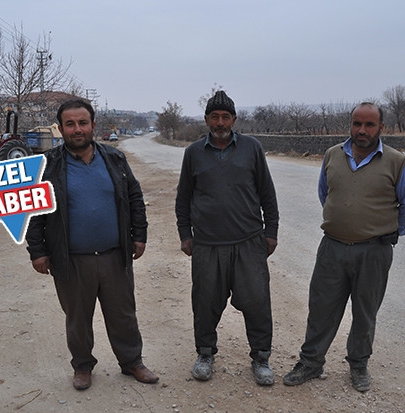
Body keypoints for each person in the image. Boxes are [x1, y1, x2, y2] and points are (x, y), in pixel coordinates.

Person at [283, 102, 405, 392]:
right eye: (357, 123)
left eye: (369, 124)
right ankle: (311, 362)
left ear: (381, 127)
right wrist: (343, 220)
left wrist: (389, 229)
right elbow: (325, 194)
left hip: (374, 252)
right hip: (332, 248)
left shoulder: (397, 162)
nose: (362, 130)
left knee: (365, 312)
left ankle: (358, 365)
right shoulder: (332, 155)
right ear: (351, 125)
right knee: (321, 308)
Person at [26, 99, 158, 390]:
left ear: (93, 126)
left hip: (114, 256)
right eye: (70, 124)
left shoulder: (115, 159)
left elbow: (134, 198)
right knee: (77, 319)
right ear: (61, 129)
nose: (77, 129)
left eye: (82, 123)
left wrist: (139, 235)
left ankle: (132, 362)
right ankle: (83, 366)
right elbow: (34, 212)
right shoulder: (47, 165)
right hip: (71, 259)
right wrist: (37, 251)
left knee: (123, 315)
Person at [175, 91, 280, 386]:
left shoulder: (252, 148)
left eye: (225, 117)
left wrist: (271, 232)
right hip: (207, 244)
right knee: (205, 302)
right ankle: (205, 354)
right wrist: (185, 234)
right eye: (214, 117)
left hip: (248, 242)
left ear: (234, 119)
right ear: (206, 119)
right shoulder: (194, 153)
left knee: (257, 302)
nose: (220, 122)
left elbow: (267, 194)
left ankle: (261, 357)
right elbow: (183, 198)